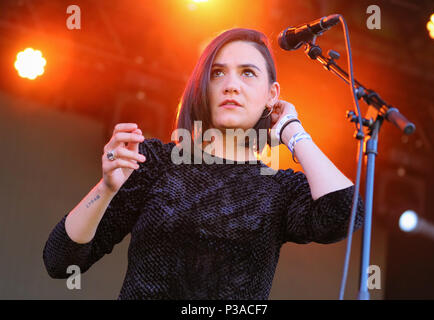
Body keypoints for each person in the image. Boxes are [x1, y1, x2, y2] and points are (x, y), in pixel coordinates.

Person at [43, 28, 365, 299]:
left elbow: (344, 212)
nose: (231, 85)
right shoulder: (156, 163)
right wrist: (106, 188)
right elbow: (60, 261)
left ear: (272, 95)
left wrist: (293, 130)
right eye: (218, 73)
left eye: (248, 73)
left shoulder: (278, 189)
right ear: (203, 86)